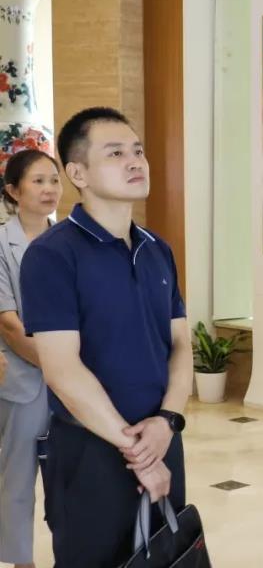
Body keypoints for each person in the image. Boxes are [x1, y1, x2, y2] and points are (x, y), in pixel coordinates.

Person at [20, 107, 191, 567]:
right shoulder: (52, 256)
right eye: (115, 153)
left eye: (137, 151)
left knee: (165, 557)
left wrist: (167, 421)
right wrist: (138, 453)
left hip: (162, 439)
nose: (135, 161)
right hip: (90, 451)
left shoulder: (157, 249)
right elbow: (62, 370)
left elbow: (180, 346)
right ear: (78, 173)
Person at [0, 149, 62, 568]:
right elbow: (8, 324)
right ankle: (23, 562)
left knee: (71, 479)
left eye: (54, 180)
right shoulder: (2, 244)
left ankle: (72, 555)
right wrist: (63, 367)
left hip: (74, 383)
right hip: (24, 381)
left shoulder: (70, 240)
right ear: (13, 191)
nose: (49, 189)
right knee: (18, 478)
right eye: (38, 181)